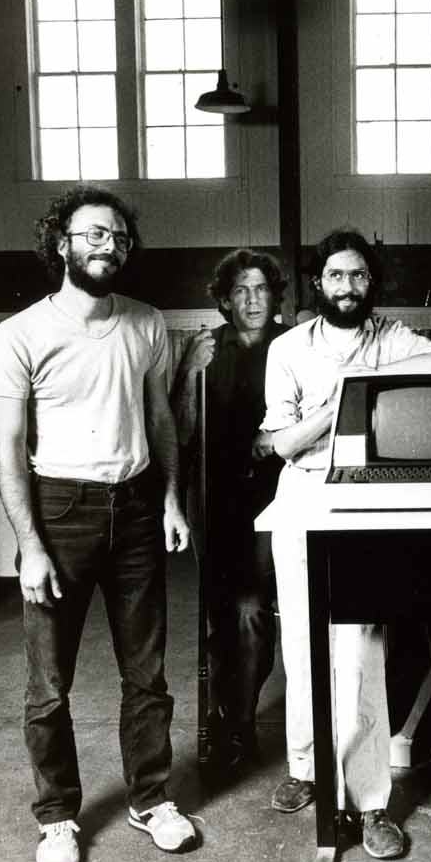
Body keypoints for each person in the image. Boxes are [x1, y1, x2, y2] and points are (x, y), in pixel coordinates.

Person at [0, 184, 197, 862]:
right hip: (59, 509)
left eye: (118, 237)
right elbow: (9, 449)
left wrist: (170, 501)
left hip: (135, 507)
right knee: (49, 684)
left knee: (148, 674)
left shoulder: (147, 323)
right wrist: (31, 546)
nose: (109, 246)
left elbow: (160, 421)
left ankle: (151, 799)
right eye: (95, 234)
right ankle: (57, 817)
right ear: (62, 244)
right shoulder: (18, 335)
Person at [260, 227, 431, 859]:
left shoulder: (392, 337)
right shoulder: (288, 348)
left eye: (359, 275)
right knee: (302, 640)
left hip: (368, 493)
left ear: (372, 282)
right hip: (303, 491)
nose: (347, 287)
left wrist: (366, 375)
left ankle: (369, 801)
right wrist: (345, 398)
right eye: (336, 275)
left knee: (362, 647)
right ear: (318, 283)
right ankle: (306, 768)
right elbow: (284, 444)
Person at [170, 249, 288, 778]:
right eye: (241, 290)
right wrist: (189, 372)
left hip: (275, 497)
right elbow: (181, 431)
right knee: (222, 613)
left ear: (275, 296)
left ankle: (238, 719)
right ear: (224, 300)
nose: (252, 300)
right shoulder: (206, 349)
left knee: (251, 609)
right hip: (216, 498)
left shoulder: (293, 345)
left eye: (261, 289)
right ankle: (226, 712)